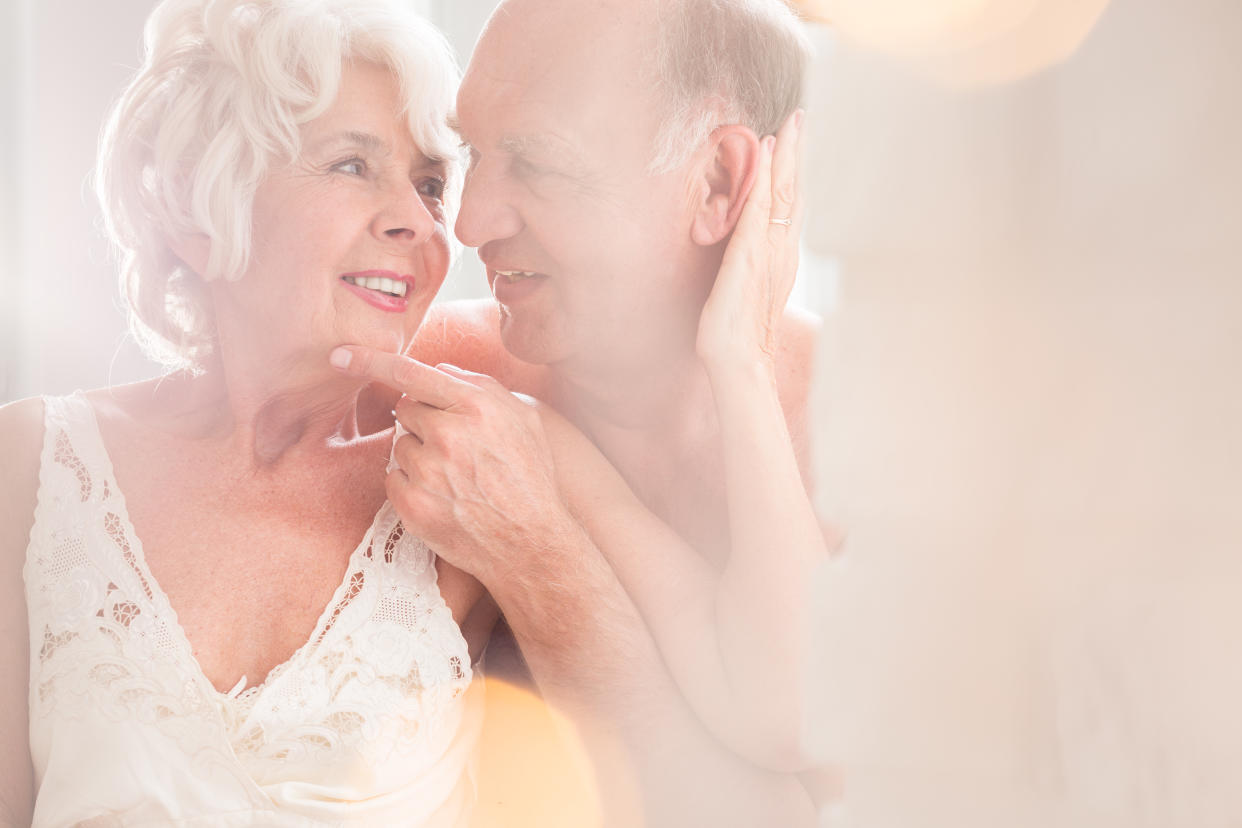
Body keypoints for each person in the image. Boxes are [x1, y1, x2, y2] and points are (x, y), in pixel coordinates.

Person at [333, 0, 834, 820]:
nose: (466, 224)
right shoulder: (438, 382)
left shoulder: (872, 439)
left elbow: (799, 744)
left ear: (716, 184)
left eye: (538, 162)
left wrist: (739, 366)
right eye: (474, 153)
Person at [0, 0, 494, 824]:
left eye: (432, 183)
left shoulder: (468, 491)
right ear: (200, 209)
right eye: (350, 165)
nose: (417, 219)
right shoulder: (30, 464)